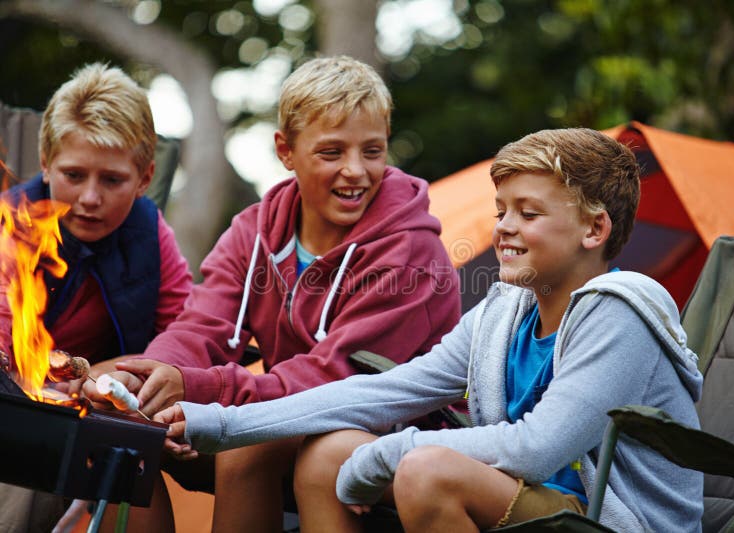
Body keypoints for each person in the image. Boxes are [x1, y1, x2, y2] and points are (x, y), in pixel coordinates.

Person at [156, 128, 706, 533]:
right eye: (501, 211)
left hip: (609, 519)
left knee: (427, 471)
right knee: (329, 453)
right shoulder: (505, 310)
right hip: (530, 498)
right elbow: (387, 390)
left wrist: (387, 454)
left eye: (528, 213)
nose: (504, 229)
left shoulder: (619, 314)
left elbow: (535, 449)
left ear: (594, 228)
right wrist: (219, 423)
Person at [84, 55, 462, 531]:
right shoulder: (255, 229)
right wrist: (154, 382)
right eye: (331, 153)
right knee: (110, 413)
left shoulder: (411, 252)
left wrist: (202, 391)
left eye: (372, 151)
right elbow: (204, 325)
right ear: (286, 151)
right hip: (294, 415)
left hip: (397, 433)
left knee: (251, 443)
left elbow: (335, 383)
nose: (356, 171)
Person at [0, 63, 193, 533]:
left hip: (107, 411)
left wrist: (120, 375)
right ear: (45, 164)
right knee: (37, 462)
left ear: (145, 177)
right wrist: (54, 388)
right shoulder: (15, 227)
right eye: (73, 174)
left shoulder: (149, 234)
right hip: (21, 410)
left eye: (112, 180)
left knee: (135, 476)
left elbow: (189, 330)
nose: (89, 197)